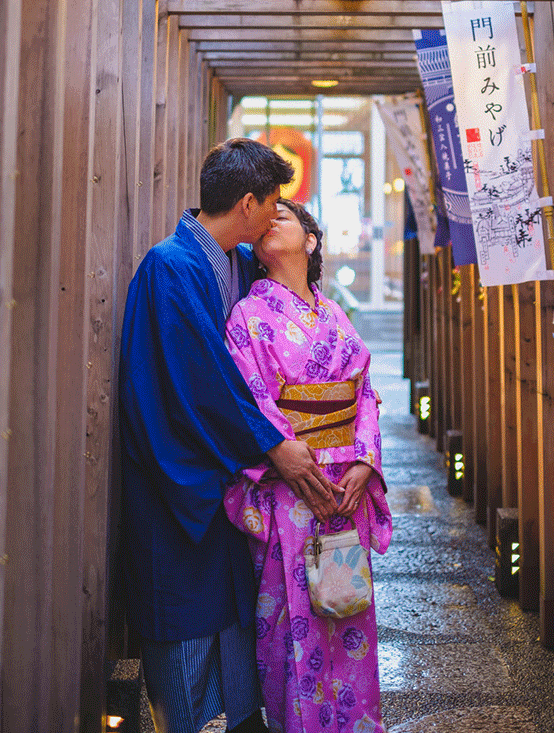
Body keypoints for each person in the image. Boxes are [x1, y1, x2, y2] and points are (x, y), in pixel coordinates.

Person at [119, 139, 344, 733]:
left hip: (233, 479)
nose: (276, 214)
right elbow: (201, 380)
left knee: (242, 657)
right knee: (187, 661)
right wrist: (272, 444)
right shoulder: (170, 267)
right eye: (272, 202)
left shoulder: (239, 265)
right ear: (247, 203)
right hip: (186, 478)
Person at [223, 200, 392, 733]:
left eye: (287, 216)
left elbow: (365, 392)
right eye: (266, 216)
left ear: (311, 240)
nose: (272, 219)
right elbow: (250, 398)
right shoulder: (248, 315)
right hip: (289, 492)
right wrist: (290, 460)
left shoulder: (335, 313)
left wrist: (364, 460)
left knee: (347, 612)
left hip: (346, 493)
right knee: (287, 625)